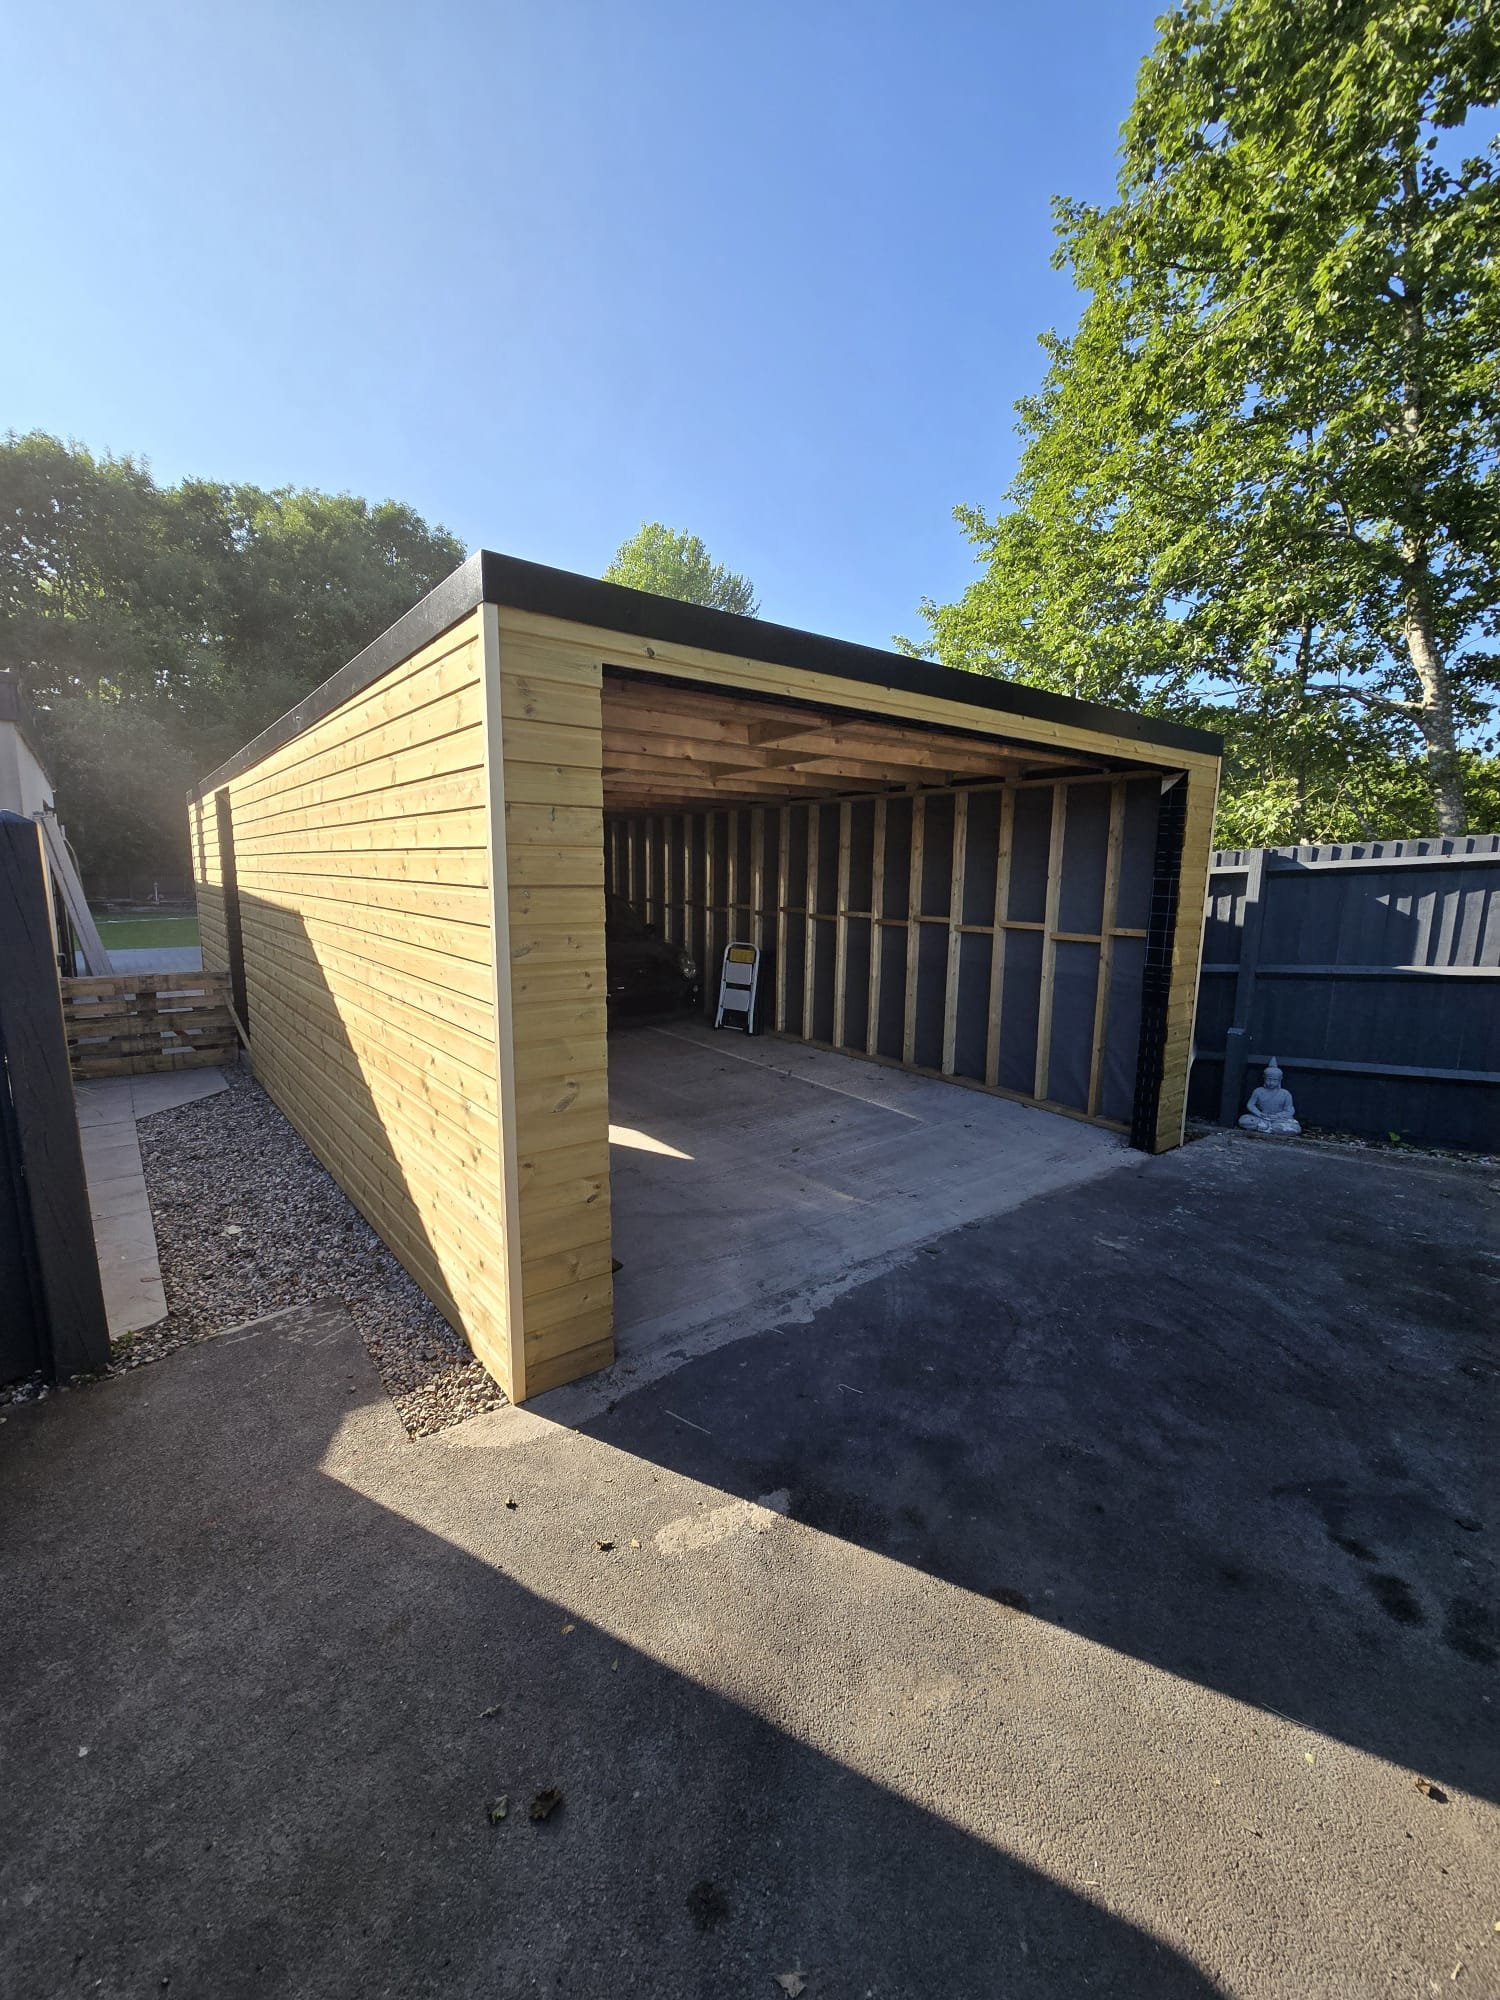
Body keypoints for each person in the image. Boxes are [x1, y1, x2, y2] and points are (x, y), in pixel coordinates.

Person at [1240, 1060, 1300, 1135]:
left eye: (1275, 1080)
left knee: (1296, 1127)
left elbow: (1290, 1110)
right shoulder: (1258, 1091)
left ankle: (1266, 1128)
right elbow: (1250, 1105)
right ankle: (1270, 1128)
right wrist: (1259, 1113)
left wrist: (1277, 1116)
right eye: (1269, 1079)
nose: (1271, 1083)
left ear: (1280, 1080)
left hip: (1278, 1120)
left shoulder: (1285, 1093)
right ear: (1264, 1078)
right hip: (1262, 1117)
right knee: (1243, 1120)